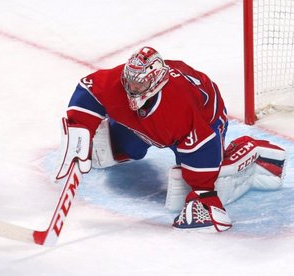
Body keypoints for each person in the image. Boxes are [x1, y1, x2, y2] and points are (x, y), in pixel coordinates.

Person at [55, 46, 286, 232]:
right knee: (115, 149)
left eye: (140, 83)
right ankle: (130, 143)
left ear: (154, 82)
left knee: (197, 182)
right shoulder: (122, 81)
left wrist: (203, 192)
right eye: (130, 80)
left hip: (207, 116)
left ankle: (251, 151)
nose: (132, 87)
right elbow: (89, 89)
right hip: (157, 121)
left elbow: (201, 145)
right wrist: (80, 128)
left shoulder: (179, 109)